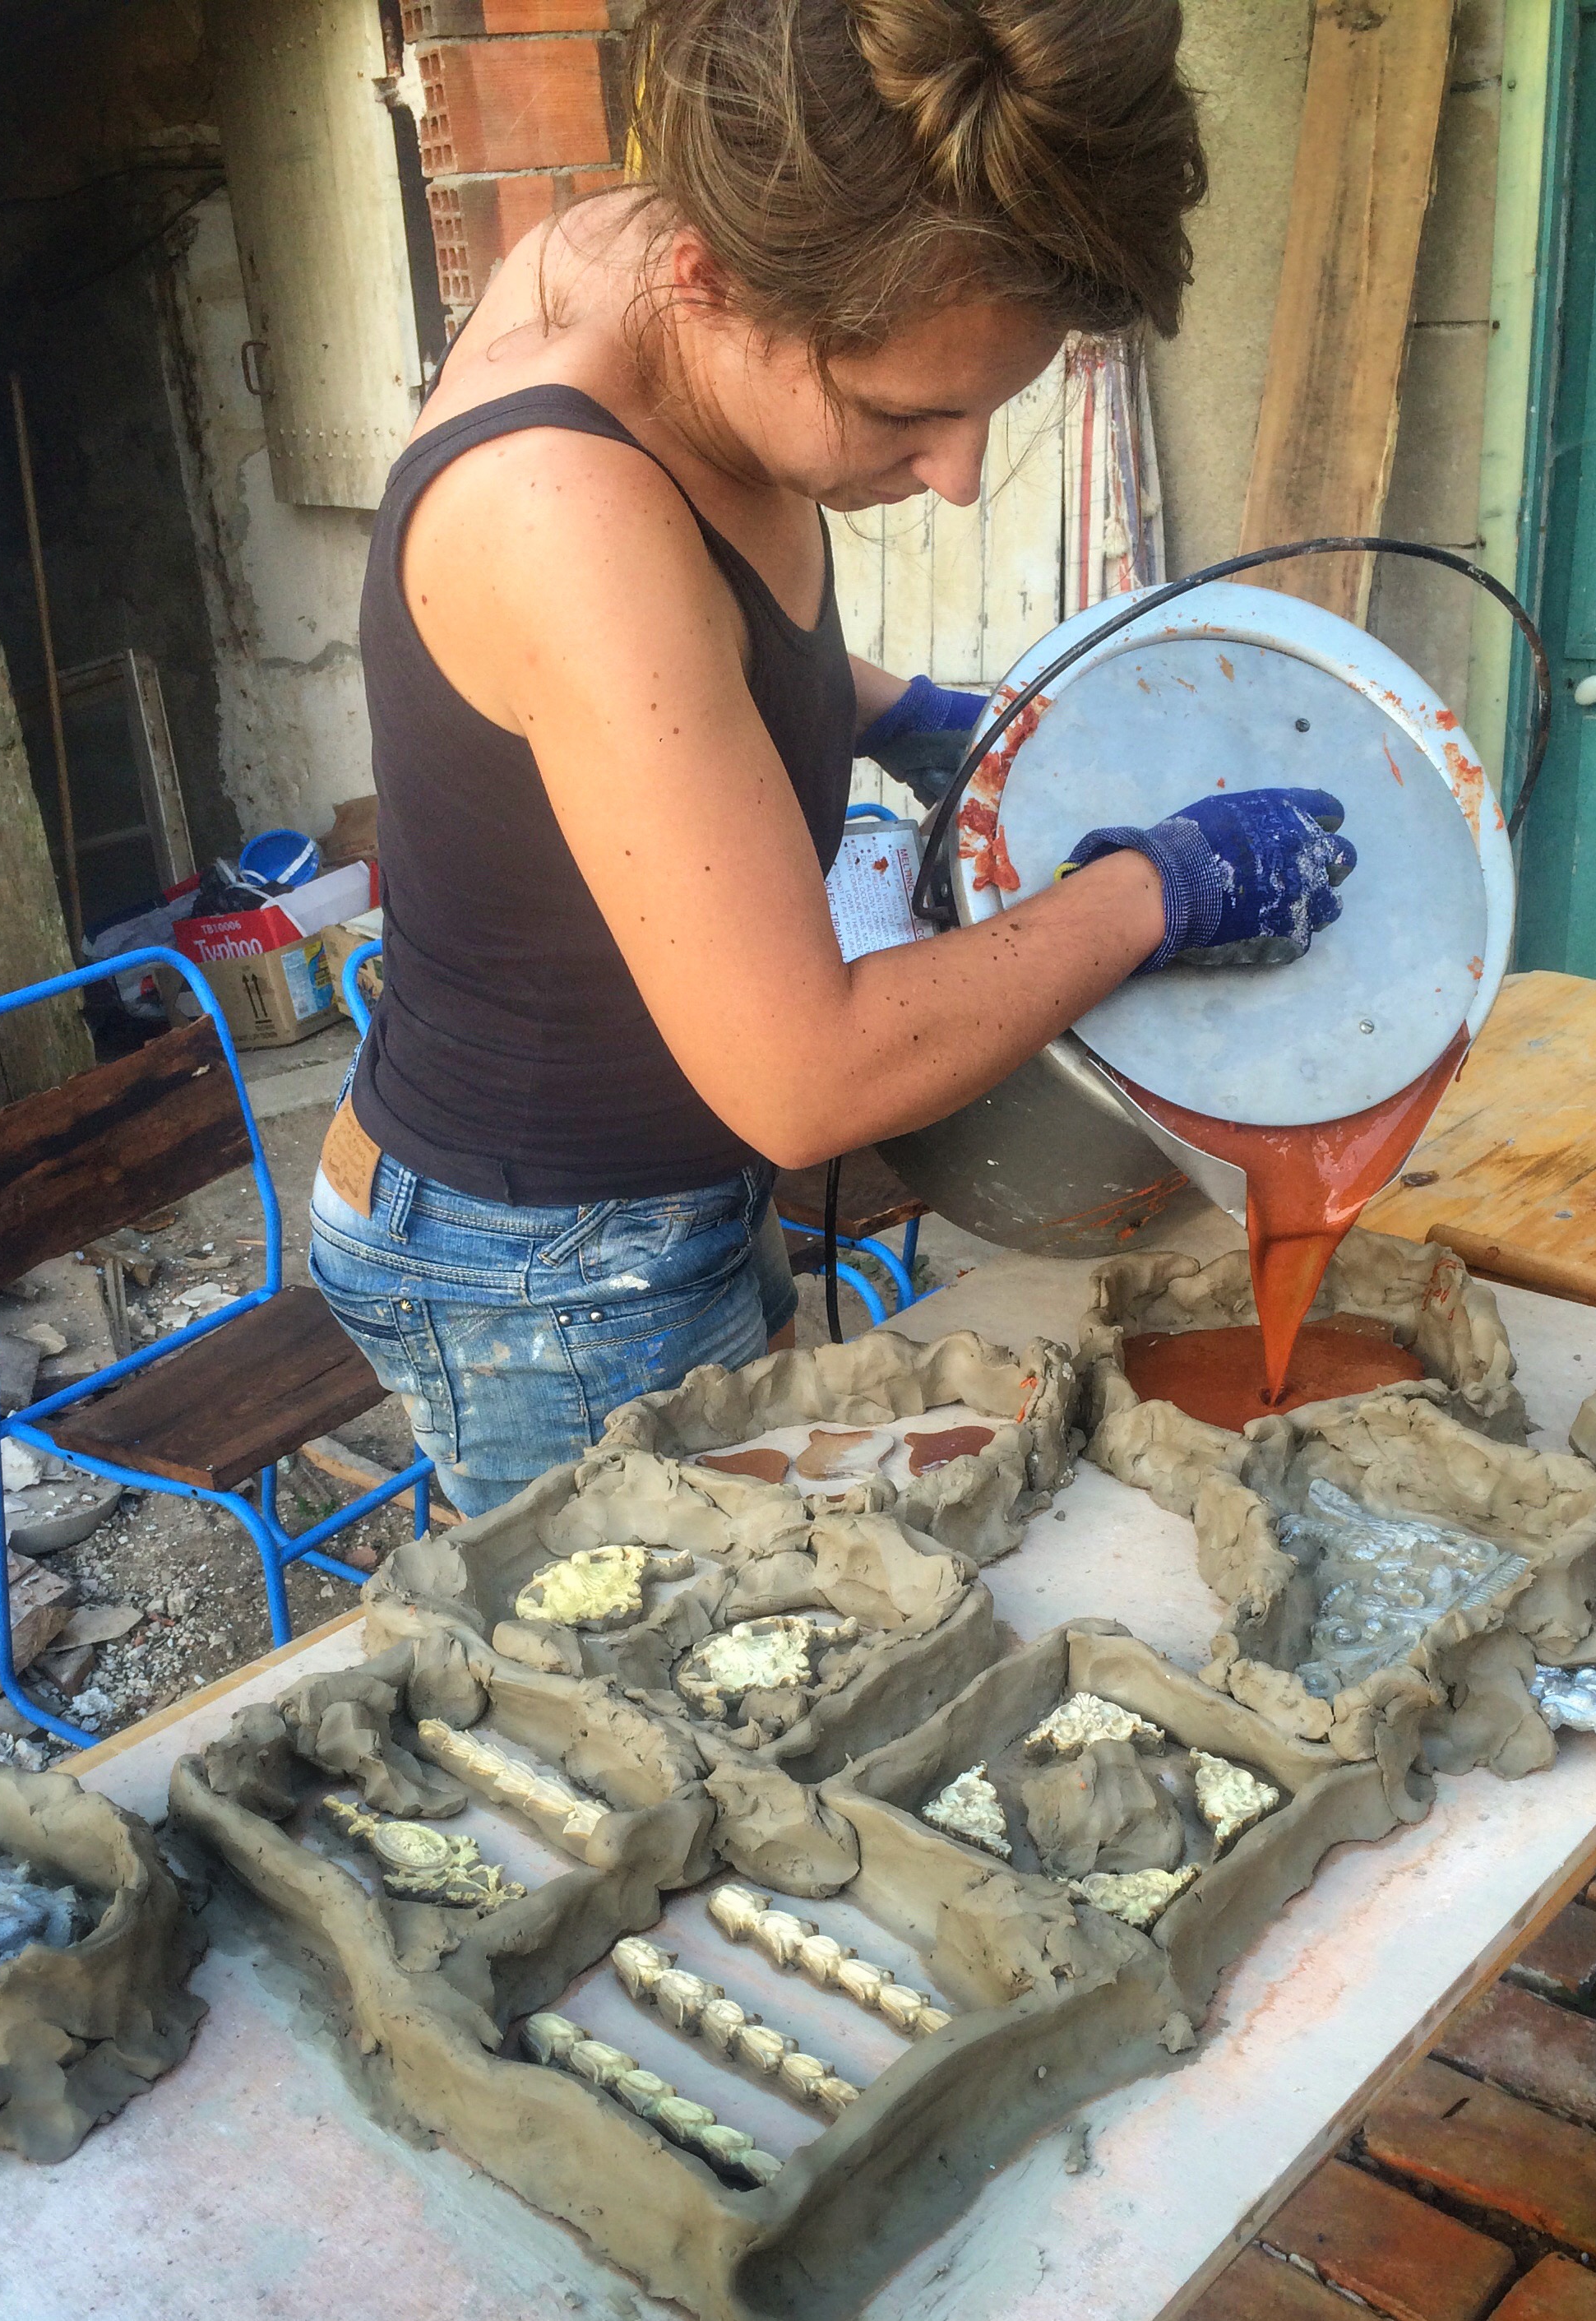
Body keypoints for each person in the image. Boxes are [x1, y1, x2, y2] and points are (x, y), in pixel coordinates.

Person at [310, 0, 1353, 1519]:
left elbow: (664, 668)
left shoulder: (624, 261)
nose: (958, 474)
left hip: (660, 1190)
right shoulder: (562, 515)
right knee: (694, 1654)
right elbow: (805, 1080)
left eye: (991, 407)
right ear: (711, 278)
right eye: (904, 413)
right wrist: (1157, 891)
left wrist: (897, 707)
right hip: (550, 1265)